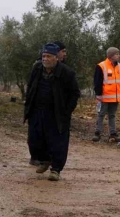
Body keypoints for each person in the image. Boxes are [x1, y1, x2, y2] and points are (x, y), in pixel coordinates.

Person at [23, 43, 81, 181]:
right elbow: (30, 86)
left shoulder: (67, 73)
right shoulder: (37, 69)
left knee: (57, 142)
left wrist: (67, 111)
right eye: (43, 56)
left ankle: (56, 169)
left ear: (56, 58)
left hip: (57, 113)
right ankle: (44, 160)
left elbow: (74, 93)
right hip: (37, 111)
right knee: (34, 140)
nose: (45, 59)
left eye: (48, 56)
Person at [93, 47, 120, 143]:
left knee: (112, 115)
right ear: (111, 56)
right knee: (101, 114)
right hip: (104, 96)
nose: (118, 55)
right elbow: (97, 81)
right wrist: (98, 94)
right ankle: (97, 133)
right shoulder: (101, 66)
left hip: (115, 97)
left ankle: (112, 133)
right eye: (117, 54)